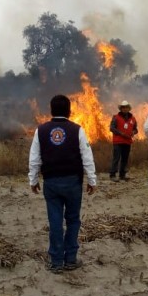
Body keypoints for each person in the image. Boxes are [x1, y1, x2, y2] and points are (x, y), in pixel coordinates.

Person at [29, 95, 97, 273]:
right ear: (69, 110)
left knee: (55, 222)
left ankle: (57, 262)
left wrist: (33, 179)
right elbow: (87, 157)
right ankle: (71, 259)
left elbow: (35, 158)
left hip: (51, 182)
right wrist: (92, 179)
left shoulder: (41, 130)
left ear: (51, 110)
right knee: (73, 220)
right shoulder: (77, 130)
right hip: (73, 182)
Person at [109, 100, 138, 182]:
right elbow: (112, 128)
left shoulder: (133, 118)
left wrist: (133, 132)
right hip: (118, 141)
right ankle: (113, 174)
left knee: (125, 159)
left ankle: (122, 175)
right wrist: (121, 133)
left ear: (129, 108)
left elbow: (136, 129)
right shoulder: (115, 117)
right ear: (121, 109)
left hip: (127, 142)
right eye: (123, 107)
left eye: (126, 107)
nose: (125, 109)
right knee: (116, 158)